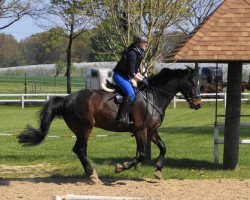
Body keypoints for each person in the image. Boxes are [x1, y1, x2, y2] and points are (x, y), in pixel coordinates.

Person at [113, 34, 148, 127]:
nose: (146, 44)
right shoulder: (132, 54)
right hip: (119, 76)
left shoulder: (138, 53)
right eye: (144, 42)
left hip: (125, 76)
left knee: (137, 93)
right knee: (131, 94)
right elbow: (132, 73)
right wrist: (142, 80)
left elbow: (135, 71)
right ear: (138, 43)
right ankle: (121, 118)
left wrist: (144, 79)